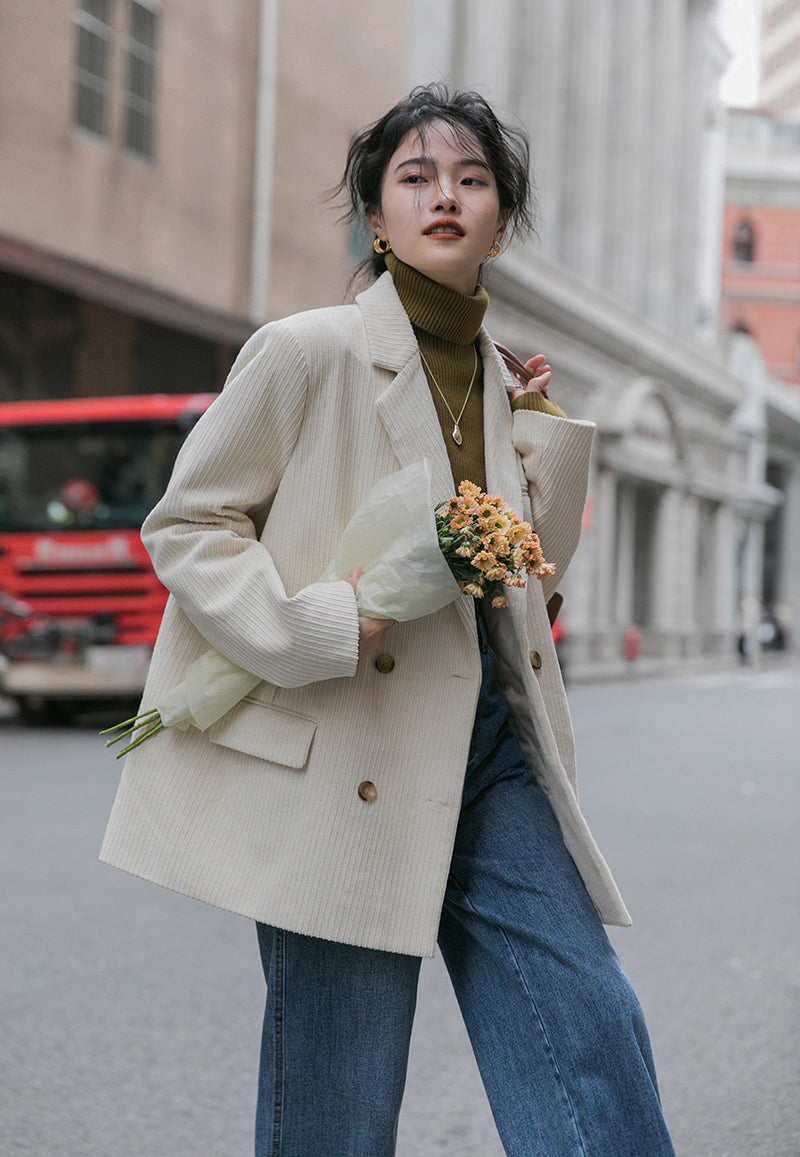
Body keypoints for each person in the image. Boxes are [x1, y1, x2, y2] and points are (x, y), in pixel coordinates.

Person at [101, 84, 675, 1157]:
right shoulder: (304, 349)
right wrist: (316, 622)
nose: (443, 195)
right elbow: (188, 523)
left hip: (489, 747)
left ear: (500, 219)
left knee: (588, 1022)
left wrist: (541, 429)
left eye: (471, 179)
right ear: (377, 217)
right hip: (346, 747)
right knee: (339, 1095)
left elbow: (526, 577)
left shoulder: (502, 381)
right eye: (415, 177)